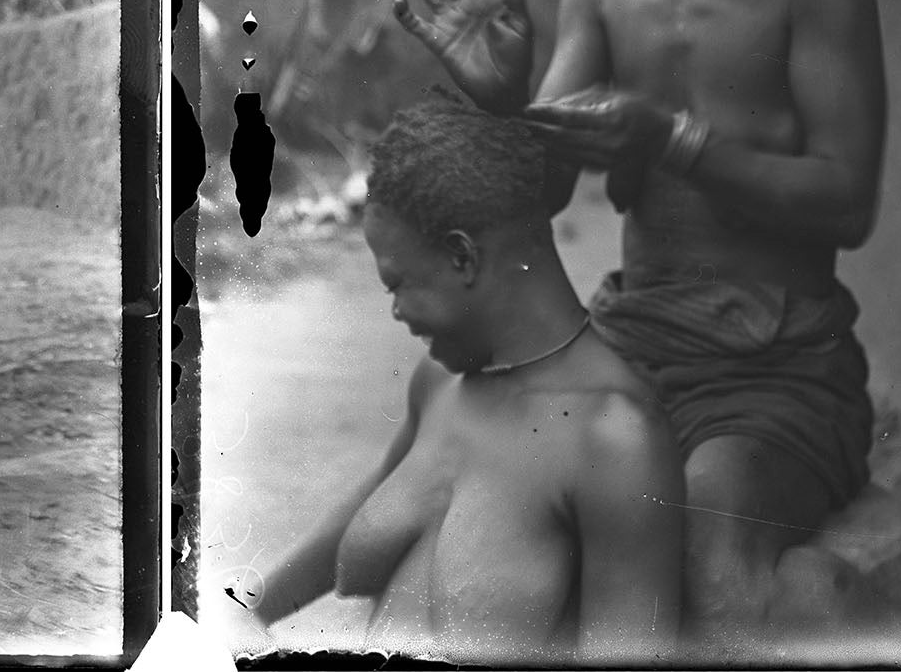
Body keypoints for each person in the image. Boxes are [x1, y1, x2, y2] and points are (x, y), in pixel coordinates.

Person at [392, 0, 887, 642]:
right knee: (508, 506)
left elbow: (847, 198)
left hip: (775, 370)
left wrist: (670, 138)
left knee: (702, 535)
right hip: (634, 344)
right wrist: (500, 106)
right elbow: (538, 190)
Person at [227, 97, 684, 663]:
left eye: (398, 285)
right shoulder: (440, 384)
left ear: (462, 258)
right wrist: (239, 607)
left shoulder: (616, 440)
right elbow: (334, 541)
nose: (394, 310)